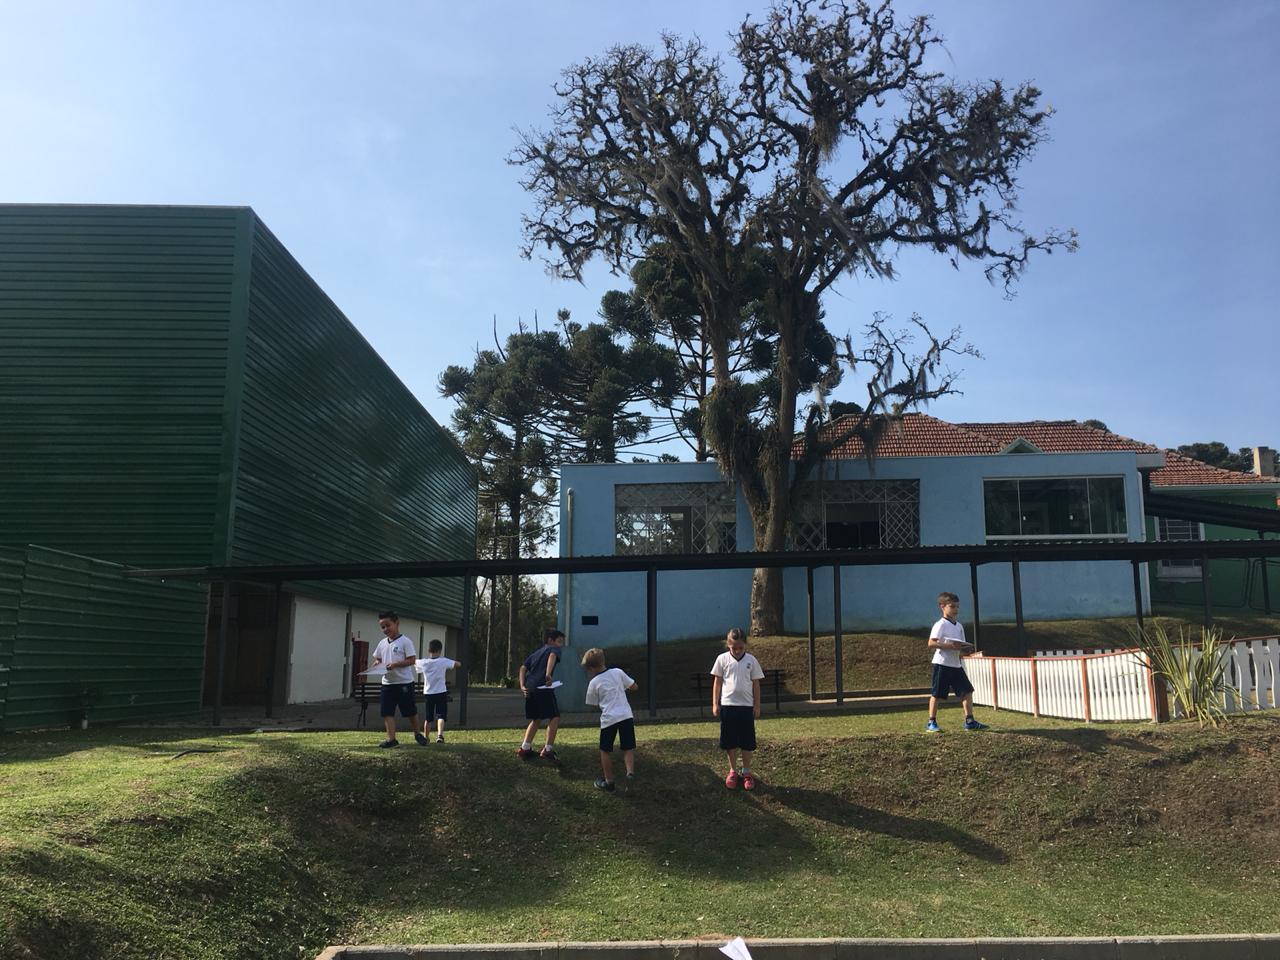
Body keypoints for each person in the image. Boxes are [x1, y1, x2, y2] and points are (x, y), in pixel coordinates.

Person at [926, 591, 988, 733]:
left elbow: (959, 645)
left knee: (967, 691)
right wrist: (949, 646)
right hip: (942, 664)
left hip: (956, 665)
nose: (956, 610)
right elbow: (931, 643)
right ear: (942, 606)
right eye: (952, 606)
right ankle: (931, 722)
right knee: (937, 694)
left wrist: (966, 648)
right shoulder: (940, 624)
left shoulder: (959, 626)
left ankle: (970, 721)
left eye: (957, 607)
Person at [710, 627, 764, 790]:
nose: (738, 651)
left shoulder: (751, 660)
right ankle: (733, 770)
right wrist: (715, 703)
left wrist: (757, 705)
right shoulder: (722, 659)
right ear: (728, 645)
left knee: (747, 741)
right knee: (730, 740)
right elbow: (717, 682)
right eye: (734, 648)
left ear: (745, 645)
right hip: (728, 706)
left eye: (741, 647)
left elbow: (756, 684)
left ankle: (747, 772)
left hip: (746, 707)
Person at [581, 647, 638, 792]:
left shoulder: (594, 683)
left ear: (592, 668)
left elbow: (593, 704)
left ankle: (609, 781)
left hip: (609, 719)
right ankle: (630, 773)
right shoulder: (617, 672)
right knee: (628, 747)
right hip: (625, 715)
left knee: (605, 750)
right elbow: (634, 686)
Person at [370, 611, 426, 748]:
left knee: (410, 711)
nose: (385, 629)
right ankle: (391, 739)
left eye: (388, 625)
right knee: (386, 712)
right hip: (387, 684)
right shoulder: (382, 643)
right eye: (382, 627)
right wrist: (377, 663)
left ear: (397, 623)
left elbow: (412, 660)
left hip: (404, 683)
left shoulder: (405, 641)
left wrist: (395, 665)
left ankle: (417, 733)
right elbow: (378, 658)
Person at [517, 628, 564, 761]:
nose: (561, 645)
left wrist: (522, 685)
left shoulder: (536, 653)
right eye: (559, 641)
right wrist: (548, 674)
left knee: (536, 718)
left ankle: (525, 748)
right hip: (543, 687)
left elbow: (522, 668)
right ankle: (548, 750)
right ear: (550, 640)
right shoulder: (553, 649)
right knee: (554, 717)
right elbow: (552, 657)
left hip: (530, 688)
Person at [417, 638, 461, 744]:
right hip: (441, 692)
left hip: (428, 693)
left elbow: (413, 662)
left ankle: (426, 737)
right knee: (441, 715)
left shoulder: (423, 662)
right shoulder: (443, 661)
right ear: (440, 650)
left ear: (429, 650)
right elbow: (457, 664)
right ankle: (440, 735)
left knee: (428, 717)